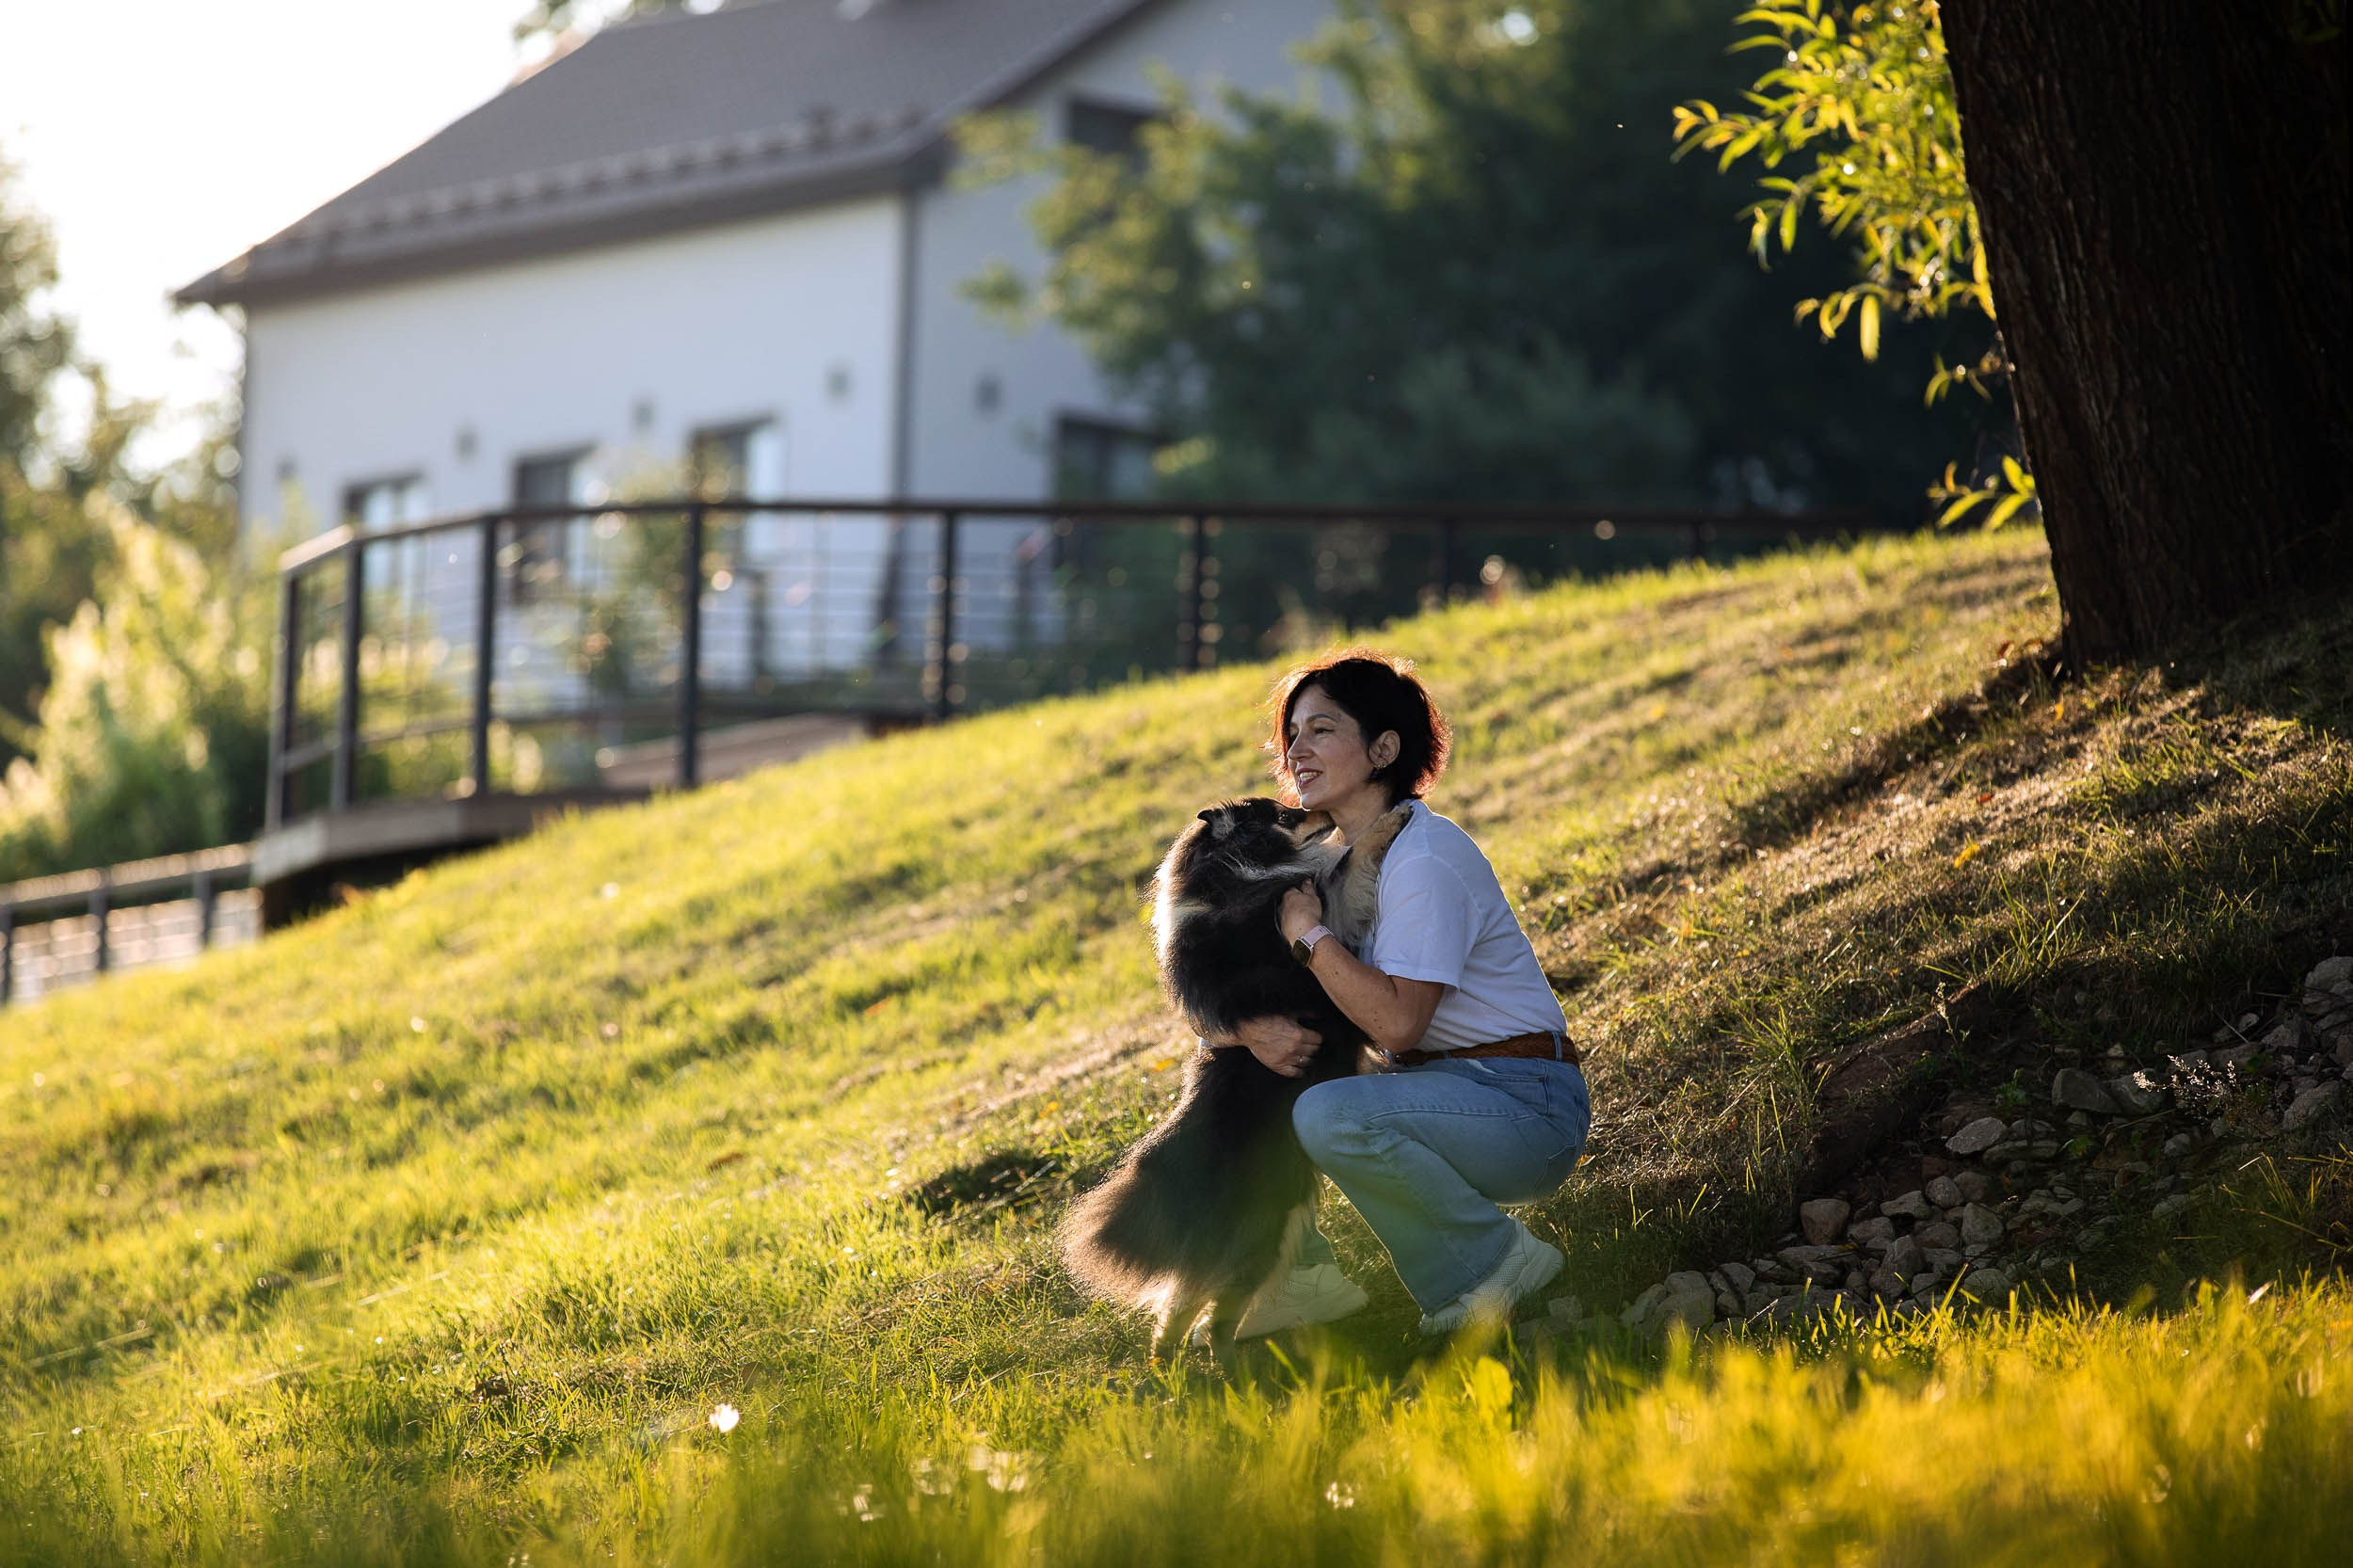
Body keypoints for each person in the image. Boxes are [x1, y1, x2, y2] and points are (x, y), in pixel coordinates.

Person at [1221, 649, 1590, 1336]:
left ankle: (1492, 1267)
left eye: (1322, 729)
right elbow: (1237, 996)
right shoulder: (1331, 865)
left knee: (1333, 1113)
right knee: (1263, 1076)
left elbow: (1397, 1026)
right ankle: (1299, 1281)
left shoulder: (1424, 857)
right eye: (1291, 733)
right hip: (1442, 1095)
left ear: (1384, 748)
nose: (1296, 748)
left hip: (1524, 1103)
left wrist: (1310, 939)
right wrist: (1249, 1032)